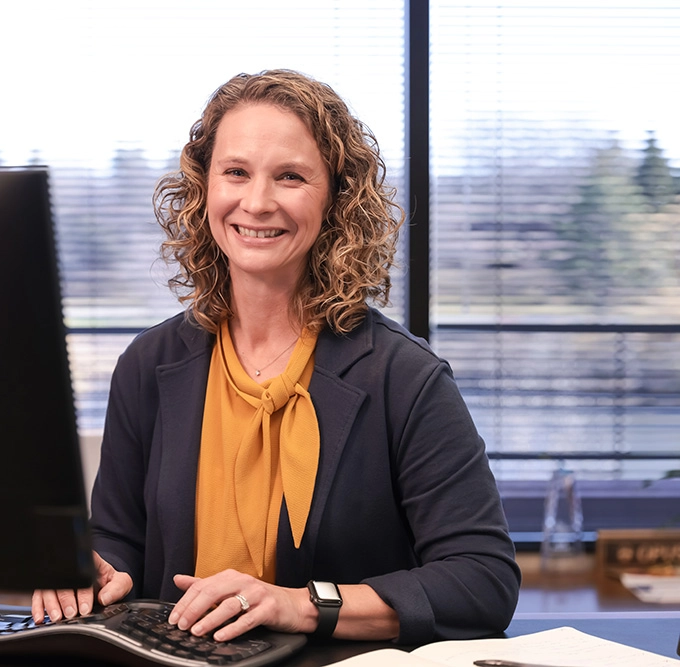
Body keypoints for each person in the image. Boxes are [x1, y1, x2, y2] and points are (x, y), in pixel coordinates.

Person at [32, 69, 520, 646]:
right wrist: (92, 572)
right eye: (235, 172)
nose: (256, 202)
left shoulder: (406, 378)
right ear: (203, 189)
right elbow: (118, 539)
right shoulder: (147, 364)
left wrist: (303, 604)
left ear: (338, 198)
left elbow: (482, 581)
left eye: (290, 176)